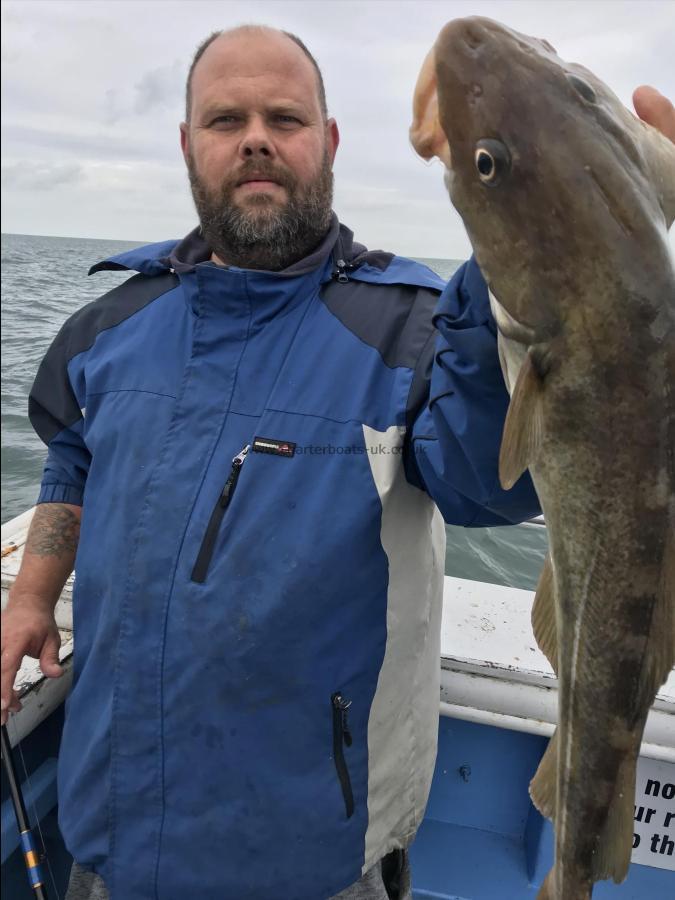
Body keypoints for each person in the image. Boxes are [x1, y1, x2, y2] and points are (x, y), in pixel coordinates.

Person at [1, 24, 673, 900]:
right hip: (111, 836)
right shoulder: (114, 321)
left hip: (316, 861)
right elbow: (73, 451)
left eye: (284, 117)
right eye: (225, 118)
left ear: (328, 141)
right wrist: (29, 594)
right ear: (185, 144)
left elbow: (483, 481)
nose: (254, 138)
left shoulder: (414, 326)